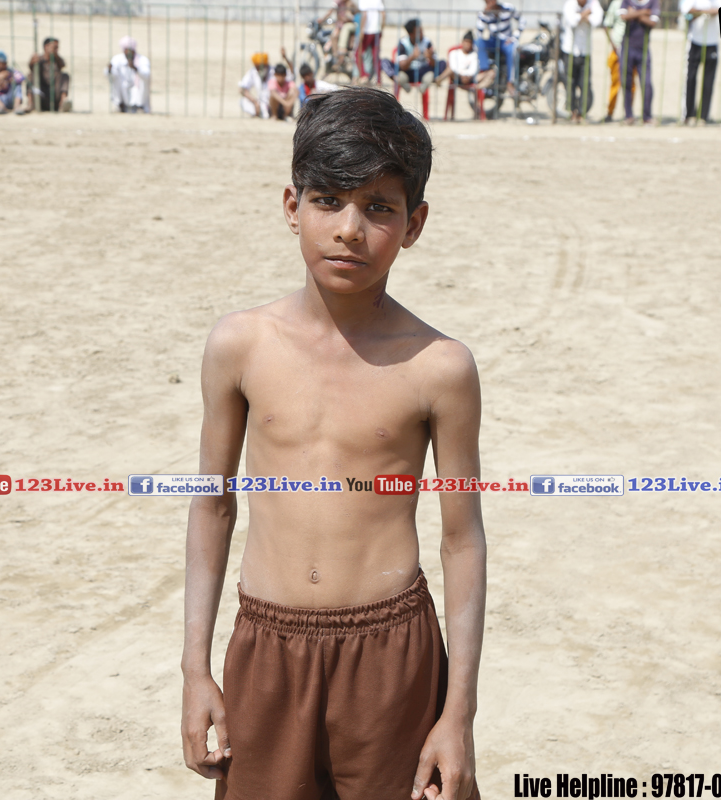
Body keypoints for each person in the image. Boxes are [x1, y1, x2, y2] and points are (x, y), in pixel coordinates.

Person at [180, 87, 486, 800]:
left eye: (379, 207)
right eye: (328, 201)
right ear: (292, 206)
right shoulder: (240, 345)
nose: (350, 229)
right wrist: (195, 669)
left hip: (392, 655)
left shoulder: (439, 367)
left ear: (414, 224)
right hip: (266, 649)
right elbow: (211, 506)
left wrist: (458, 715)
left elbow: (462, 539)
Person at [680, 0, 721, 124]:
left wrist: (701, 12)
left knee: (708, 82)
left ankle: (703, 116)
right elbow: (686, 10)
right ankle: (689, 115)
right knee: (690, 79)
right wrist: (706, 12)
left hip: (712, 42)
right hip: (695, 41)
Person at [560, 0, 603, 122]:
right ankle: (572, 111)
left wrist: (580, 16)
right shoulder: (570, 4)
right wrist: (586, 14)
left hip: (586, 51)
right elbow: (572, 21)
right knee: (570, 83)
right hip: (570, 50)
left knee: (585, 84)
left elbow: (597, 20)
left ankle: (582, 112)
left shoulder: (593, 3)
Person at [620, 0, 659, 124]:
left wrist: (634, 14)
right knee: (626, 82)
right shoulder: (627, 1)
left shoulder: (653, 2)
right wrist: (643, 13)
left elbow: (652, 22)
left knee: (646, 84)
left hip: (643, 49)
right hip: (627, 47)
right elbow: (623, 16)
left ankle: (647, 116)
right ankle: (628, 116)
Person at [475, 0, 522, 98]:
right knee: (478, 42)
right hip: (493, 41)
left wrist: (515, 37)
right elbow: (479, 32)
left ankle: (510, 82)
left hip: (506, 41)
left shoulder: (508, 8)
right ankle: (485, 71)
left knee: (513, 50)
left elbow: (522, 20)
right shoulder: (484, 13)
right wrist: (484, 15)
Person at [395, 19, 444, 96]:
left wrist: (430, 57)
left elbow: (435, 64)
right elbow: (403, 66)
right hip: (409, 71)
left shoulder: (427, 42)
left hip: (423, 71)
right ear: (411, 34)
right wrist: (412, 57)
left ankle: (426, 83)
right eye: (419, 32)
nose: (422, 34)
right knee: (386, 63)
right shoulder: (403, 43)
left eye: (421, 31)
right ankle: (403, 82)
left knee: (443, 63)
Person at [106, 35, 151, 114]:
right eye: (126, 50)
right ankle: (120, 105)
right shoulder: (117, 59)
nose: (129, 53)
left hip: (138, 91)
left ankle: (139, 106)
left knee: (143, 80)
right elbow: (111, 75)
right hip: (123, 89)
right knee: (115, 78)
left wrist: (135, 68)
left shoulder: (142, 60)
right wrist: (109, 70)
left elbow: (146, 75)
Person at [601, 0, 628, 121]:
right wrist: (613, 45)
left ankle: (629, 114)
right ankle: (610, 112)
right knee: (615, 83)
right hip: (617, 49)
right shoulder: (616, 4)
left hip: (632, 49)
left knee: (631, 85)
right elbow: (606, 25)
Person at [28, 37, 70, 113]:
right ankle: (30, 103)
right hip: (41, 94)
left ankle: (63, 103)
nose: (56, 49)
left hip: (55, 93)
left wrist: (55, 55)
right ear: (46, 47)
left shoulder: (57, 60)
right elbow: (31, 68)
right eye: (54, 47)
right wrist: (32, 62)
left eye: (57, 47)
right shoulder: (39, 59)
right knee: (30, 75)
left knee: (65, 75)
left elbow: (62, 65)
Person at [354, 0, 384, 83]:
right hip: (377, 31)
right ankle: (379, 79)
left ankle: (363, 75)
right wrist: (381, 29)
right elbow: (383, 15)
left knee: (358, 54)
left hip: (367, 31)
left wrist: (361, 31)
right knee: (375, 55)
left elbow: (364, 15)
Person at [238, 51, 271, 118]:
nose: (258, 69)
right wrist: (254, 102)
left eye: (260, 66)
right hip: (260, 102)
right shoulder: (253, 71)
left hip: (273, 103)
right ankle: (258, 113)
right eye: (257, 67)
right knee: (242, 101)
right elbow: (242, 88)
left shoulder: (274, 71)